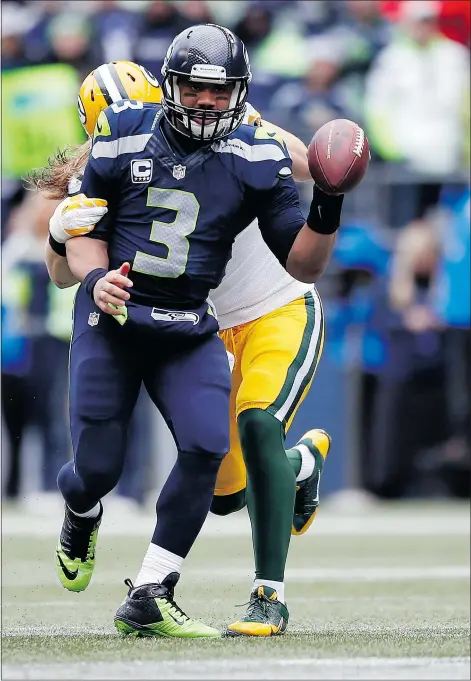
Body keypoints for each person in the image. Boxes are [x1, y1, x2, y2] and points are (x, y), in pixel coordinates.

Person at [32, 25, 343, 638]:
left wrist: (322, 176)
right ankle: (86, 504)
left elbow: (311, 173)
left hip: (227, 313)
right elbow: (64, 267)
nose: (202, 103)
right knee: (169, 481)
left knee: (226, 440)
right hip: (138, 319)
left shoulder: (241, 130)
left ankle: (170, 591)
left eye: (215, 92)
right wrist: (66, 245)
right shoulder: (115, 150)